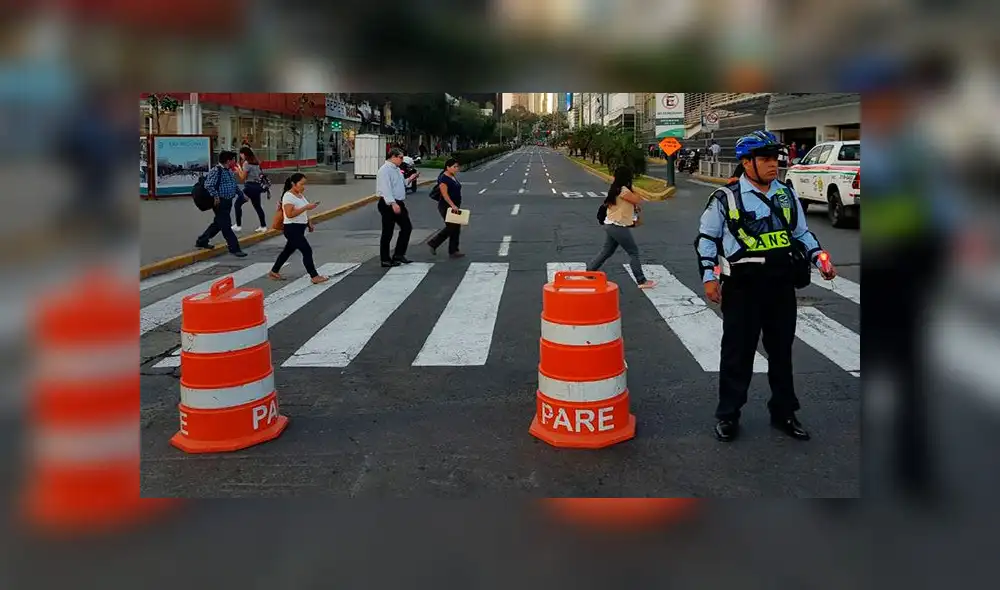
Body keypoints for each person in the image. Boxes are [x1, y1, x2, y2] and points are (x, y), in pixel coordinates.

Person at [694, 130, 837, 443]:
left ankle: (784, 412)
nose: (775, 164)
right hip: (742, 287)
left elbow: (801, 233)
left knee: (781, 352)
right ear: (747, 163)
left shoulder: (786, 194)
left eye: (776, 158)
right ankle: (728, 414)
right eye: (766, 159)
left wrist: (820, 259)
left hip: (780, 285)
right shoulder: (726, 198)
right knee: (737, 353)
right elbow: (707, 239)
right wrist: (708, 277)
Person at [586, 166, 656, 289]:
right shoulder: (624, 190)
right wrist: (632, 187)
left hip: (610, 224)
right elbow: (639, 199)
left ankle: (590, 270)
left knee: (607, 251)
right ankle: (641, 281)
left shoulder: (616, 188)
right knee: (633, 252)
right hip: (617, 226)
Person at [269, 173, 329, 284]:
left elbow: (303, 212)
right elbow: (290, 214)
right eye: (301, 184)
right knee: (307, 250)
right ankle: (314, 276)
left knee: (287, 251)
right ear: (293, 184)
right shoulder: (288, 196)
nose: (303, 187)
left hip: (300, 228)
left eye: (304, 184)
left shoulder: (300, 195)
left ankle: (274, 271)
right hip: (292, 229)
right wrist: (306, 207)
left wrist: (309, 222)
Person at [195, 151, 247, 257]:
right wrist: (216, 196)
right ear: (228, 160)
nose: (235, 162)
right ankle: (234, 248)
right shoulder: (216, 170)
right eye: (233, 159)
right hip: (220, 202)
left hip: (228, 201)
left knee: (219, 223)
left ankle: (202, 240)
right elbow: (209, 185)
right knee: (226, 225)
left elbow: (233, 185)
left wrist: (241, 195)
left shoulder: (229, 171)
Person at [375, 148, 413, 267]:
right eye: (400, 157)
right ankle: (385, 259)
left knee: (407, 227)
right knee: (388, 231)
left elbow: (401, 184)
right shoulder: (384, 170)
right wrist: (392, 203)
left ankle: (399, 255)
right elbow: (385, 188)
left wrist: (411, 179)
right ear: (393, 157)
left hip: (398, 202)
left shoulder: (396, 169)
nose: (402, 160)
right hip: (388, 203)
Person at [426, 158, 465, 258]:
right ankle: (434, 243)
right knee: (451, 227)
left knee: (456, 228)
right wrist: (452, 205)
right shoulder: (443, 179)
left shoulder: (452, 176)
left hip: (455, 205)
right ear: (447, 167)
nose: (456, 169)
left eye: (457, 167)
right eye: (454, 167)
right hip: (446, 206)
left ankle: (453, 250)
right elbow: (444, 194)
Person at [233, 146, 268, 233]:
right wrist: (241, 169)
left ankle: (238, 225)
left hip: (250, 187)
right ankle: (263, 226)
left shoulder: (246, 163)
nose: (241, 156)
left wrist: (238, 171)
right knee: (257, 206)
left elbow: (243, 178)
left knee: (237, 204)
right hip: (257, 187)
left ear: (244, 154)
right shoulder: (256, 162)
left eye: (241, 154)